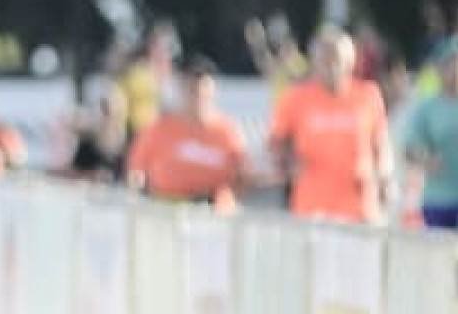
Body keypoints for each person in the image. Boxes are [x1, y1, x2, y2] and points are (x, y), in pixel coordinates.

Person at [266, 25, 390, 225]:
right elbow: (276, 142)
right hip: (312, 207)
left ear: (349, 61)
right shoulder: (296, 97)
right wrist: (287, 161)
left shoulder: (368, 95)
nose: (331, 65)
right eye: (324, 59)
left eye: (336, 59)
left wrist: (385, 176)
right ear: (314, 62)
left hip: (359, 207)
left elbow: (381, 143)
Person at [125, 60, 255, 209]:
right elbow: (136, 171)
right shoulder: (160, 128)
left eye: (202, 89)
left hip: (211, 210)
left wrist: (225, 198)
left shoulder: (226, 131)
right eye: (192, 89)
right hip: (166, 207)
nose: (197, 95)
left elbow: (243, 176)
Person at [396, 44, 458, 232]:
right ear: (440, 69)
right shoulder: (427, 107)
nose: (457, 72)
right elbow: (409, 147)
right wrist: (425, 159)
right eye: (450, 65)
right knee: (443, 255)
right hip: (439, 197)